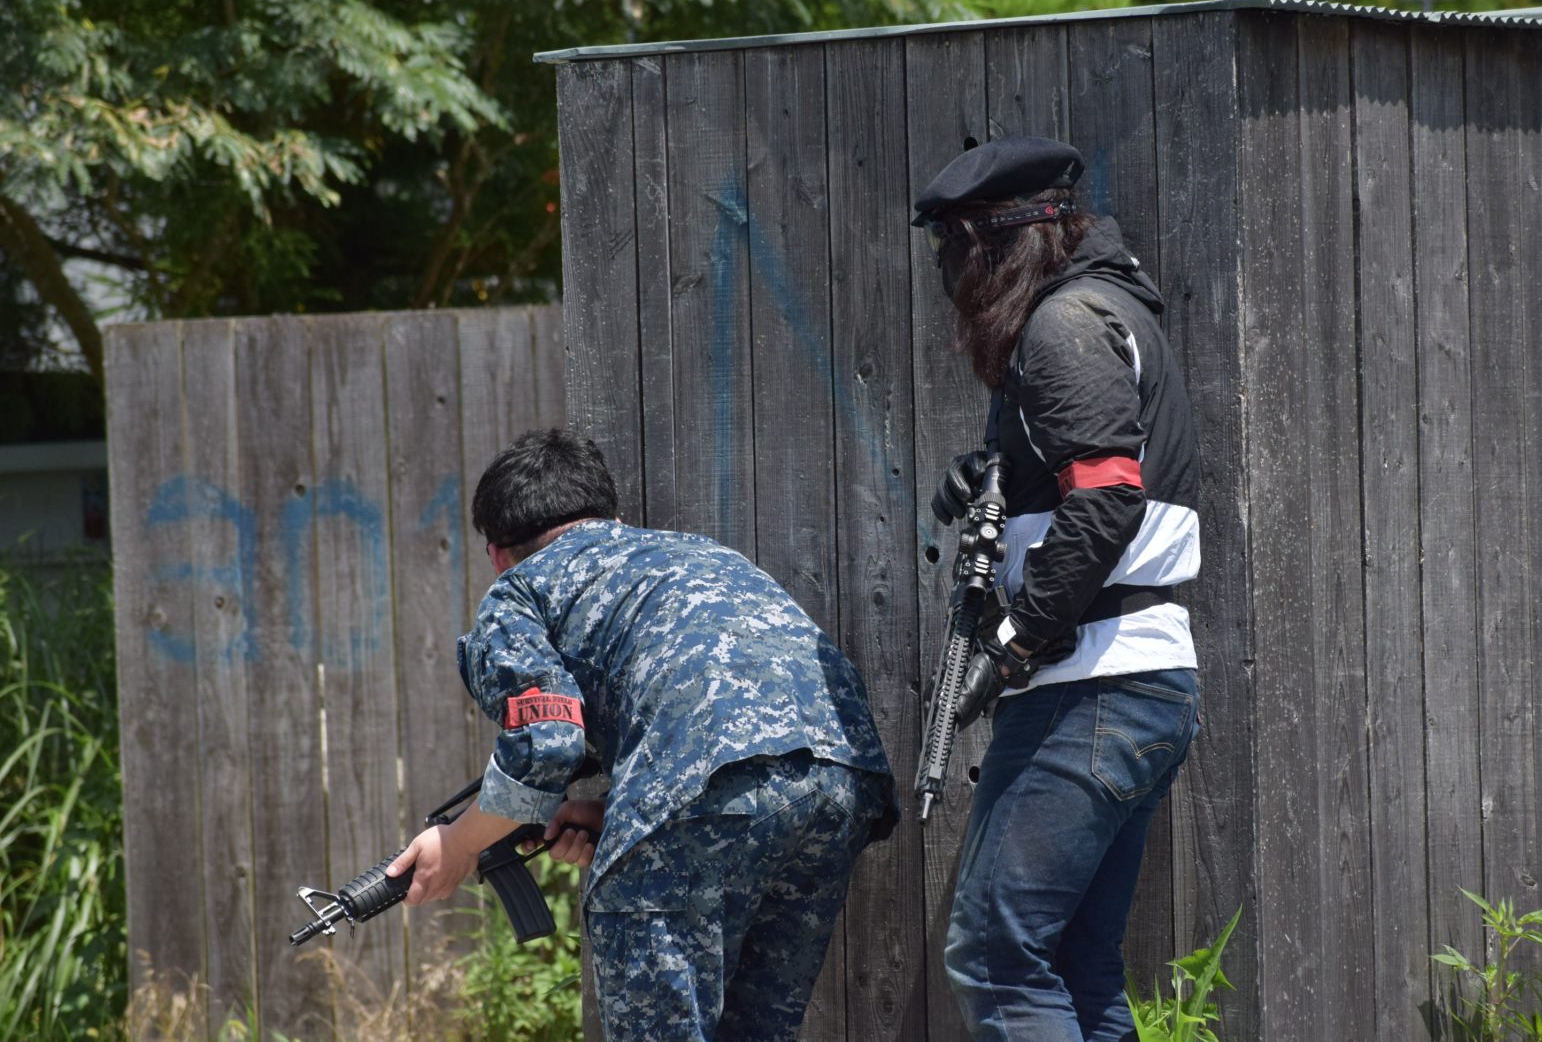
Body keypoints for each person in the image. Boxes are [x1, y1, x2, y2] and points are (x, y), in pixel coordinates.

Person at [387, 428, 897, 1041]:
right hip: (842, 782)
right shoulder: (700, 554)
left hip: (705, 790)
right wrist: (618, 809)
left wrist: (459, 843)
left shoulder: (518, 590)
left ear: (497, 554)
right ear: (614, 519)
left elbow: (547, 742)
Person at [913, 135, 1202, 1041]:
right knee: (1077, 963)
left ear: (992, 242)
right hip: (1132, 684)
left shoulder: (1064, 326)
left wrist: (1014, 642)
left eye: (952, 247)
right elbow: (1086, 477)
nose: (950, 272)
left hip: (1091, 687)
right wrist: (997, 476)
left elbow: (1108, 501)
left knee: (995, 957)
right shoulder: (1105, 310)